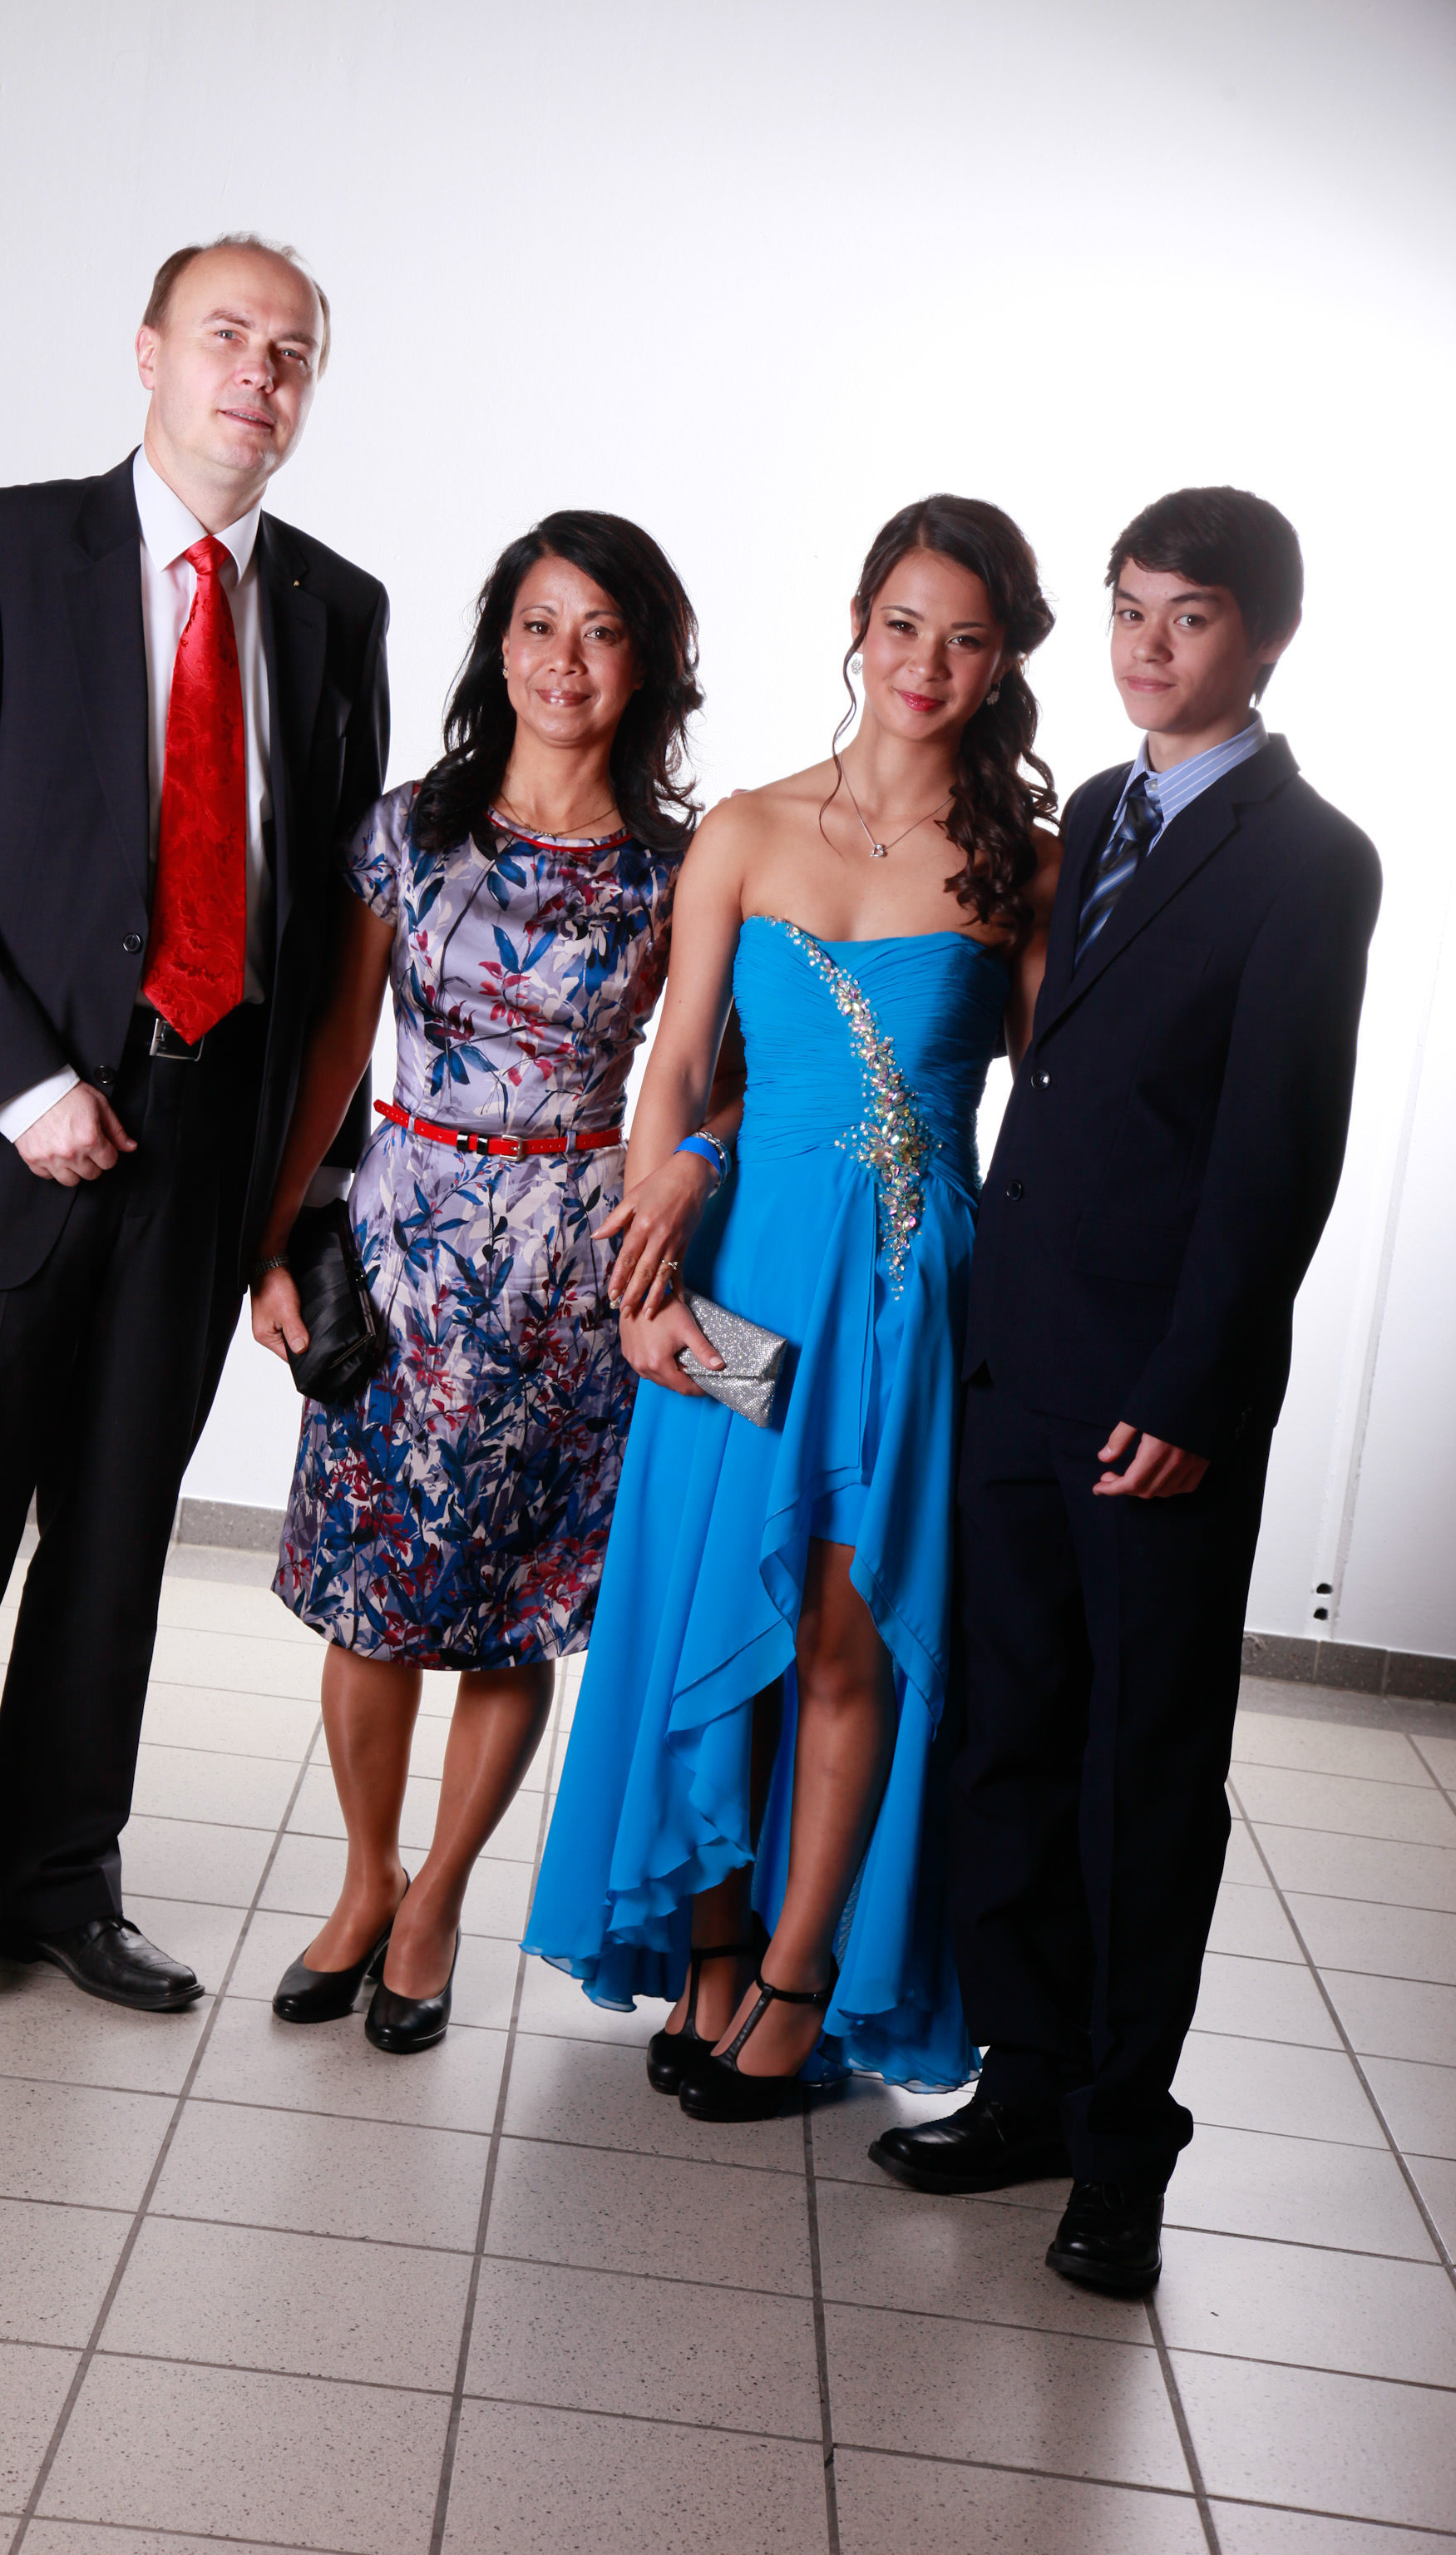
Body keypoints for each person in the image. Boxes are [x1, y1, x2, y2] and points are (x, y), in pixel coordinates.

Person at [0, 235, 389, 2072]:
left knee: (117, 1543)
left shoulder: (334, 609)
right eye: (227, 334)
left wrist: (300, 1198)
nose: (259, 373)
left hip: (210, 1151)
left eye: (292, 351)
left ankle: (63, 1883)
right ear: (148, 353)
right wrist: (25, 1087)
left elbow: (330, 936)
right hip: (12, 1142)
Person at [872, 487, 1382, 2295]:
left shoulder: (1312, 859)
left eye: (1191, 618)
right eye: (1128, 610)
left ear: (1266, 640)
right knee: (1010, 1730)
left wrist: (1194, 1387)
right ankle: (1023, 2080)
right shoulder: (1093, 811)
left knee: (1140, 1775)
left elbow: (1276, 1154)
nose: (1148, 648)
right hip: (1018, 1360)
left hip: (1159, 1395)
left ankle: (1118, 2152)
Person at [524, 497, 1060, 2119]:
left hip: (905, 1300)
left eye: (965, 639)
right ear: (857, 622)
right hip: (743, 1287)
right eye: (903, 625)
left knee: (843, 1632)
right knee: (712, 1603)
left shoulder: (1024, 868)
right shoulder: (748, 830)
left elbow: (1062, 1121)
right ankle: (709, 1950)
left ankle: (799, 1974)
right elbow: (680, 1064)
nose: (925, 663)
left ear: (1002, 663)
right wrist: (646, 1274)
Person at [249, 512, 738, 2054]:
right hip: (403, 1250)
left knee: (513, 1611)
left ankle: (439, 1901)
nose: (563, 661)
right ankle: (364, 1880)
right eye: (539, 624)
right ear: (499, 645)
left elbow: (723, 1075)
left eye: (601, 631)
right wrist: (273, 1239)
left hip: (571, 1273)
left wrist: (689, 1162)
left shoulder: (681, 869)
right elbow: (338, 1046)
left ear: (645, 664)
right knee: (370, 1596)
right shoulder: (408, 829)